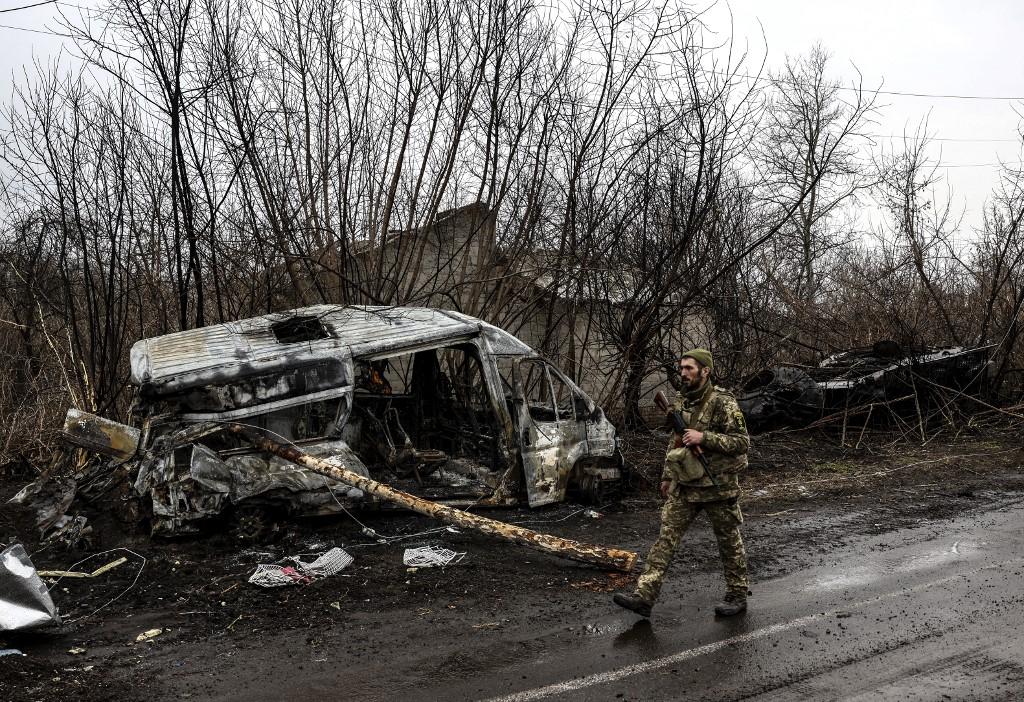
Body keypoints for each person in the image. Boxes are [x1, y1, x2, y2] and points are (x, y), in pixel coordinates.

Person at [613, 348, 751, 618]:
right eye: (682, 368)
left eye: (689, 368)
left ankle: (737, 595)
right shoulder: (680, 401)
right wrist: (667, 475)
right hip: (685, 485)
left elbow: (742, 442)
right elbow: (675, 441)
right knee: (665, 540)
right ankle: (644, 596)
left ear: (705, 371)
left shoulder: (724, 402)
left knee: (729, 542)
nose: (684, 373)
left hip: (717, 485)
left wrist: (704, 437)